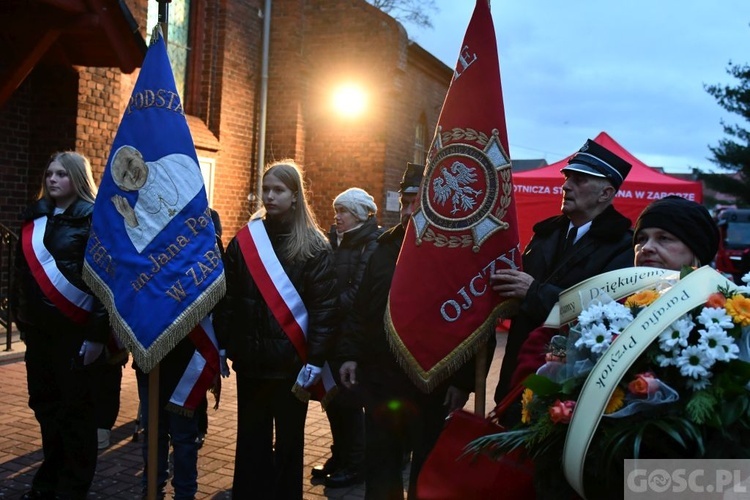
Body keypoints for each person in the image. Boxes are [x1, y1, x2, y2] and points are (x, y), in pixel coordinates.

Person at [339, 163, 491, 500]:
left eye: (416, 201)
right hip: (380, 380)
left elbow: (476, 322)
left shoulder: (457, 253)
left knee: (426, 471)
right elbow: (362, 307)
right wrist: (349, 353)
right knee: (381, 467)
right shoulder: (384, 246)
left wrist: (461, 381)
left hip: (430, 385)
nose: (407, 210)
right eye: (405, 201)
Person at [509, 195, 721, 393]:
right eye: (641, 239)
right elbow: (540, 344)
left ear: (696, 249)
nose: (646, 248)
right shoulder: (610, 296)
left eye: (664, 238)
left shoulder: (724, 308)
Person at [215, 160, 338, 499]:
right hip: (251, 361)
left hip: (291, 366)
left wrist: (316, 357)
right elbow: (229, 298)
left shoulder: (314, 245)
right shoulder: (244, 241)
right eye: (266, 189)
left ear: (296, 196)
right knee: (250, 440)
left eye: (279, 190)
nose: (270, 196)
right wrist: (223, 345)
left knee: (289, 443)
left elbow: (325, 309)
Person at [490, 139, 634, 403]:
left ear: (605, 193)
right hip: (517, 376)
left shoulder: (623, 247)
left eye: (579, 180)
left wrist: (533, 292)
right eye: (568, 177)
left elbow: (600, 312)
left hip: (568, 387)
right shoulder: (546, 234)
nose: (566, 185)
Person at [11, 151, 110, 500]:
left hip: (77, 332)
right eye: (50, 173)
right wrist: (20, 318)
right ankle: (50, 477)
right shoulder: (35, 216)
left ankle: (72, 486)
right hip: (39, 334)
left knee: (76, 413)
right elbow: (21, 274)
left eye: (62, 174)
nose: (53, 179)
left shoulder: (94, 219)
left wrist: (98, 336)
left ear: (78, 179)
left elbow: (104, 282)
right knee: (46, 407)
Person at [311, 188, 382, 487]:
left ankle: (355, 464)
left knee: (351, 404)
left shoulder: (372, 244)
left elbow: (359, 293)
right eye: (336, 210)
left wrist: (326, 305)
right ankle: (339, 455)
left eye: (343, 211)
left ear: (360, 214)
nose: (336, 216)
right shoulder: (335, 242)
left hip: (352, 337)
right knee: (333, 401)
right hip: (332, 334)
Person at [110, 145, 204, 253]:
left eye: (130, 162)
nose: (131, 174)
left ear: (138, 154)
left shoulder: (177, 162)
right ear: (124, 188)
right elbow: (149, 254)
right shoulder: (135, 217)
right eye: (124, 175)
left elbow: (201, 198)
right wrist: (132, 220)